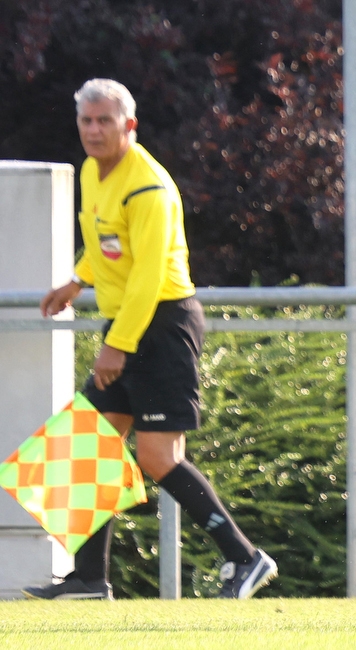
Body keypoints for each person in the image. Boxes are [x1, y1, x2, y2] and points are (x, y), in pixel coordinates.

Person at [22, 78, 277, 600]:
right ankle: (90, 580)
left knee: (159, 458)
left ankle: (246, 559)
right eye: (86, 121)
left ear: (129, 126)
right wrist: (77, 278)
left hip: (160, 325)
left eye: (104, 121)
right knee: (85, 444)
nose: (94, 131)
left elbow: (146, 276)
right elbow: (107, 242)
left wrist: (117, 344)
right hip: (130, 325)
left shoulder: (149, 187)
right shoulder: (95, 172)